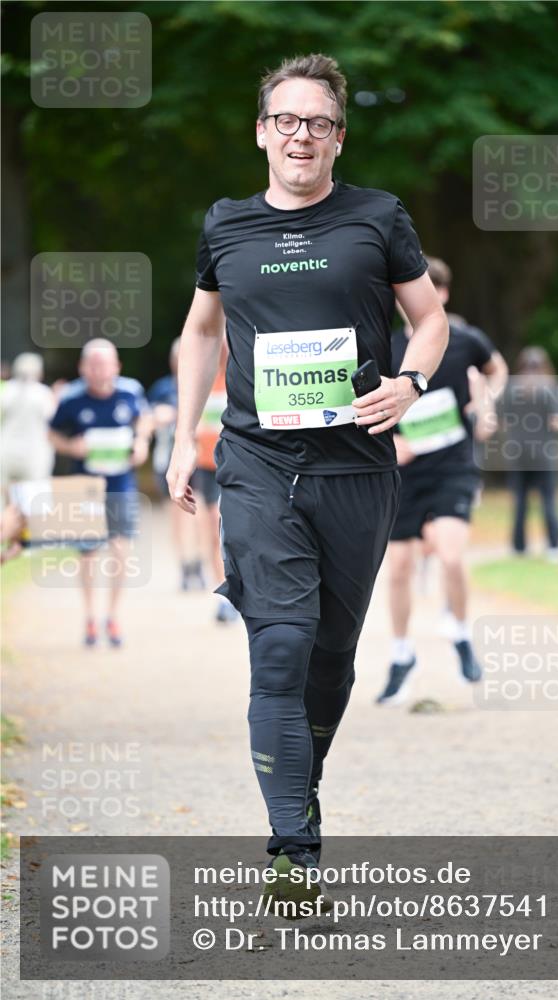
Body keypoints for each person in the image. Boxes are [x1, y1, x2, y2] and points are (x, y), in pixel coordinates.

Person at [166, 53, 448, 900]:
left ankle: (299, 790)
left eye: (318, 123)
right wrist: (186, 437)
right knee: (279, 647)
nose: (300, 135)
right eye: (285, 120)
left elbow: (427, 320)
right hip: (255, 463)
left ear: (338, 138)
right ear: (261, 133)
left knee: (328, 661)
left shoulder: (376, 217)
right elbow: (200, 333)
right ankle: (293, 850)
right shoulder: (226, 226)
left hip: (356, 469)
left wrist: (410, 383)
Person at [377, 257, 507, 704]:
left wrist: (487, 404)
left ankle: (459, 629)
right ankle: (401, 654)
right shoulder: (387, 347)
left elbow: (497, 369)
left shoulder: (466, 340)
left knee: (451, 556)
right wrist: (392, 441)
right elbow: (366, 403)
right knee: (398, 569)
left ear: (443, 295)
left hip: (454, 465)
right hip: (405, 473)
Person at [49, 339, 152, 647]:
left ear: (116, 366)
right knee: (89, 555)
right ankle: (90, 617)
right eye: (92, 364)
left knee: (121, 550)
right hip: (85, 486)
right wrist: (70, 447)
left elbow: (144, 420)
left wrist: (142, 443)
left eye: (104, 363)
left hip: (121, 482)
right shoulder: (71, 398)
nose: (98, 370)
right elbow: (51, 433)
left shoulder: (130, 391)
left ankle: (113, 616)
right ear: (82, 368)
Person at [147, 338, 205, 592]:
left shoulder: (205, 382)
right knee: (177, 516)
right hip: (167, 461)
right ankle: (184, 566)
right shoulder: (162, 388)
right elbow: (147, 420)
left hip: (200, 459)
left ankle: (200, 564)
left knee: (203, 513)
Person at [501, 347, 558, 561]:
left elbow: (503, 421)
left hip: (518, 453)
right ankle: (554, 547)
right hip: (544, 453)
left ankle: (519, 548)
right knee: (548, 500)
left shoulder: (511, 387)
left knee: (520, 501)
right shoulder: (549, 387)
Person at [191, 339, 239, 623]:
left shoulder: (241, 376)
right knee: (213, 527)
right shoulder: (201, 378)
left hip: (236, 465)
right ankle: (224, 594)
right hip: (208, 465)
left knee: (236, 529)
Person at [0, 352, 55, 487]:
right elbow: (52, 417)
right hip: (35, 454)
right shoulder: (43, 393)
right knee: (33, 496)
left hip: (7, 450)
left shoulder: (6, 389)